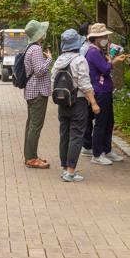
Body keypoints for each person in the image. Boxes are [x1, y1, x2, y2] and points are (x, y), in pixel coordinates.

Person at [52, 29, 101, 182]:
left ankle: (65, 168)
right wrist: (93, 103)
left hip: (62, 103)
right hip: (78, 102)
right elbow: (85, 84)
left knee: (64, 135)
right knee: (76, 136)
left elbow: (53, 81)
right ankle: (71, 172)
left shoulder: (58, 60)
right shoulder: (80, 60)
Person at [81, 23, 128, 165]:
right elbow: (105, 69)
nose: (106, 38)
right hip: (100, 92)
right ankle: (97, 154)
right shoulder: (93, 52)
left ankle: (107, 150)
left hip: (105, 91)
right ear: (95, 38)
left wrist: (109, 61)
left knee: (109, 122)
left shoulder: (98, 51)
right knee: (101, 123)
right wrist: (113, 62)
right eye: (103, 36)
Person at [23, 19, 52, 169]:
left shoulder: (30, 48)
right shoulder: (35, 49)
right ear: (39, 34)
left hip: (32, 91)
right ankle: (32, 158)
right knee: (35, 125)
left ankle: (30, 155)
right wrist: (50, 59)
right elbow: (40, 71)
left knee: (31, 125)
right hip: (38, 92)